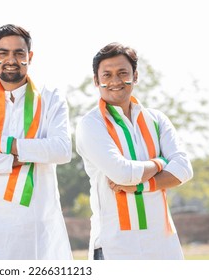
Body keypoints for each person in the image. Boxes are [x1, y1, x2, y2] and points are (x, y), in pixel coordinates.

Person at [0, 24, 73, 260]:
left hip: (36, 223)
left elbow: (61, 150)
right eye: (3, 53)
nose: (11, 59)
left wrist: (0, 144)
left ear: (29, 57)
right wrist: (25, 156)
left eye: (19, 53)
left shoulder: (51, 99)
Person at [75, 42, 194, 260]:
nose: (115, 81)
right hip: (116, 247)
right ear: (96, 80)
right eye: (107, 75)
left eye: (123, 73)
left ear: (135, 76)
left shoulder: (157, 119)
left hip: (163, 245)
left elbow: (184, 170)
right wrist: (160, 162)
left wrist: (143, 184)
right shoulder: (91, 124)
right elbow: (123, 174)